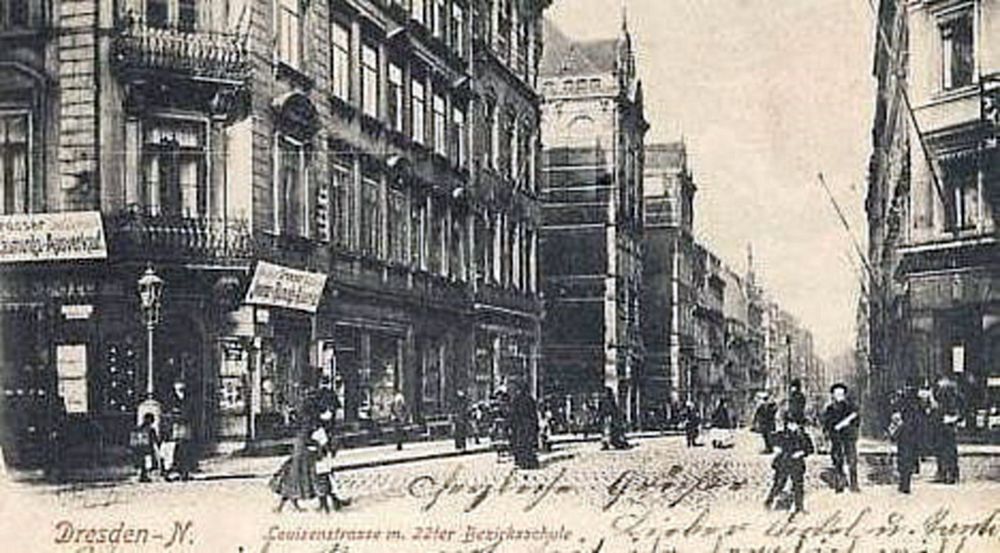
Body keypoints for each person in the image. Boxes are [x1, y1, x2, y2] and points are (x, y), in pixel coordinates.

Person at [764, 413, 814, 515]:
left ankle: (799, 507)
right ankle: (769, 502)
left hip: (797, 464)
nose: (794, 426)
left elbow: (810, 448)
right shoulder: (782, 434)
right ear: (787, 424)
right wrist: (776, 448)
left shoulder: (803, 436)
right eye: (791, 423)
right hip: (784, 463)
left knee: (798, 486)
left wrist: (802, 452)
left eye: (796, 424)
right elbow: (772, 440)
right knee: (779, 484)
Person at [822, 383, 860, 493]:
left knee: (852, 460)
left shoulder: (851, 408)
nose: (839, 396)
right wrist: (829, 432)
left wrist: (848, 426)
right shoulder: (830, 409)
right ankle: (840, 484)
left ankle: (854, 484)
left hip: (849, 438)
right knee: (837, 460)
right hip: (836, 438)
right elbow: (827, 424)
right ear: (833, 395)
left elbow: (856, 421)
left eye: (841, 393)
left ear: (844, 395)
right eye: (836, 394)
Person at [270, 426, 317, 512]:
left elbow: (296, 455)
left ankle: (283, 507)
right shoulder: (301, 441)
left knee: (289, 490)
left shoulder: (300, 441)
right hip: (296, 469)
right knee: (290, 489)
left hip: (295, 468)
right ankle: (281, 507)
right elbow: (299, 455)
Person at [891, 380, 924, 494]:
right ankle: (905, 483)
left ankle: (904, 484)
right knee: (908, 459)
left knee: (905, 459)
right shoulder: (917, 401)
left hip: (906, 433)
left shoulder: (902, 400)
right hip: (911, 433)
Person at [165, 381, 196, 481]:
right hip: (176, 426)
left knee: (185, 448)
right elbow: (169, 412)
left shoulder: (189, 399)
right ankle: (177, 470)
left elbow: (192, 411)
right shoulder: (171, 399)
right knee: (176, 448)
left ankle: (184, 471)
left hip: (185, 425)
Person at [933, 376, 961, 485]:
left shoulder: (951, 399)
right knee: (944, 449)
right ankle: (945, 472)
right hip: (943, 424)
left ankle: (949, 473)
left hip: (947, 424)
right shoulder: (948, 398)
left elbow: (957, 412)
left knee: (947, 449)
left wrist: (952, 418)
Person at [508, 381, 539, 469]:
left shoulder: (516, 400)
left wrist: (510, 425)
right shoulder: (530, 399)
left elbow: (513, 414)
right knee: (528, 444)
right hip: (528, 425)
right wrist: (535, 425)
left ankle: (522, 462)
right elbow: (534, 414)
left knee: (521, 443)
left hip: (520, 426)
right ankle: (528, 461)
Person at [131, 413, 160, 483]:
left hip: (140, 448)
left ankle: (143, 475)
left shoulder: (138, 428)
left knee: (142, 462)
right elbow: (155, 439)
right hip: (148, 448)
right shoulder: (151, 429)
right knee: (148, 462)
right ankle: (145, 475)